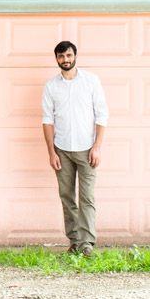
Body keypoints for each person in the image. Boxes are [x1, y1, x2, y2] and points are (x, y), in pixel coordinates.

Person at [41, 41, 108, 258]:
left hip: (87, 149)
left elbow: (101, 114)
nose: (65, 60)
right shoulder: (51, 86)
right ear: (57, 59)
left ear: (76, 56)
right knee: (67, 197)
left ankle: (87, 243)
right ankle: (74, 241)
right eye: (61, 57)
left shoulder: (91, 81)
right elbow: (47, 120)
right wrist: (51, 152)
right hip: (62, 149)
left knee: (86, 197)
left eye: (69, 55)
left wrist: (96, 147)